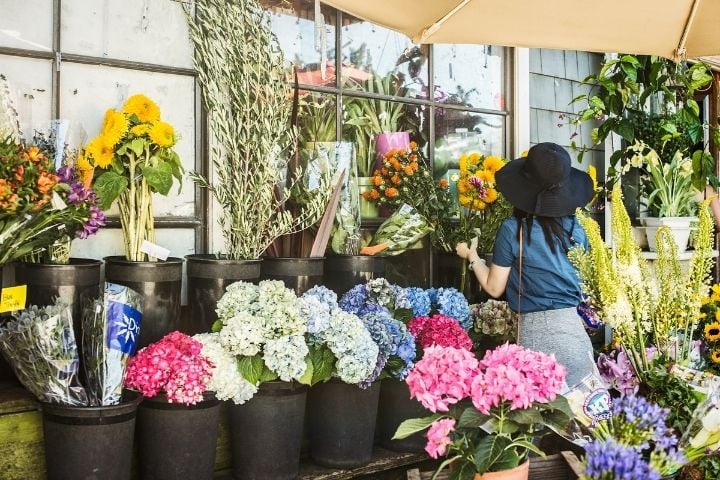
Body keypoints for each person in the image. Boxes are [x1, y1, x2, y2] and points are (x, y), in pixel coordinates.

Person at [455, 142, 595, 387]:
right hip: (576, 337)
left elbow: (494, 287)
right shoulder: (578, 230)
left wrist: (472, 257)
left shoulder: (514, 229)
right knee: (582, 421)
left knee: (538, 421)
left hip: (536, 340)